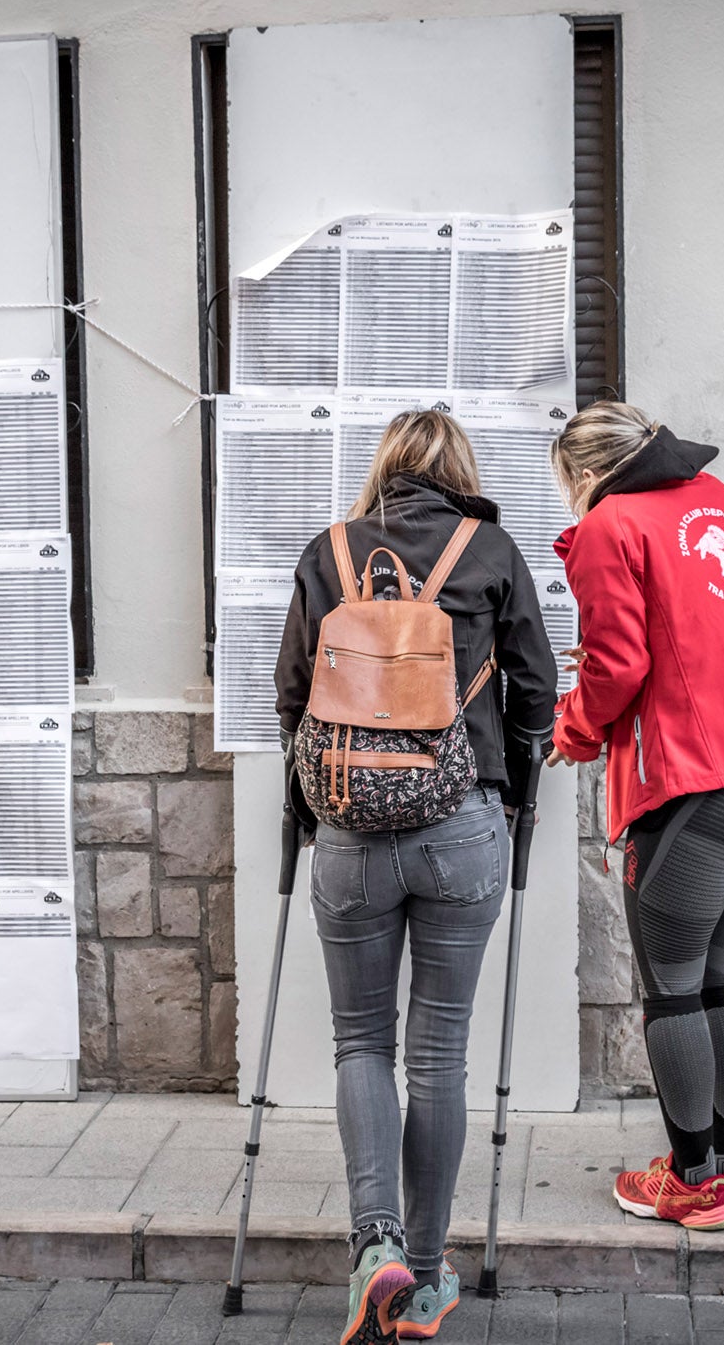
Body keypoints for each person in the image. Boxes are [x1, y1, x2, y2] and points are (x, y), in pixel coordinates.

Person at [276, 408, 557, 1344]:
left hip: (351, 830)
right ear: (459, 469)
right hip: (460, 825)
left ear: (386, 467)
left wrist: (313, 800)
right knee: (439, 1053)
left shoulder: (330, 552)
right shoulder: (493, 550)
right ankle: (428, 1283)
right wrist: (514, 789)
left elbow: (290, 695)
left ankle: (376, 1245)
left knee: (362, 1041)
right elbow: (537, 691)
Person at [546, 402, 724, 1232]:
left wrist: (574, 727)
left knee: (671, 987)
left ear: (583, 471)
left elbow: (619, 664)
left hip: (701, 782)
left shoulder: (611, 523)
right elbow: (706, 632)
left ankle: (693, 1182)